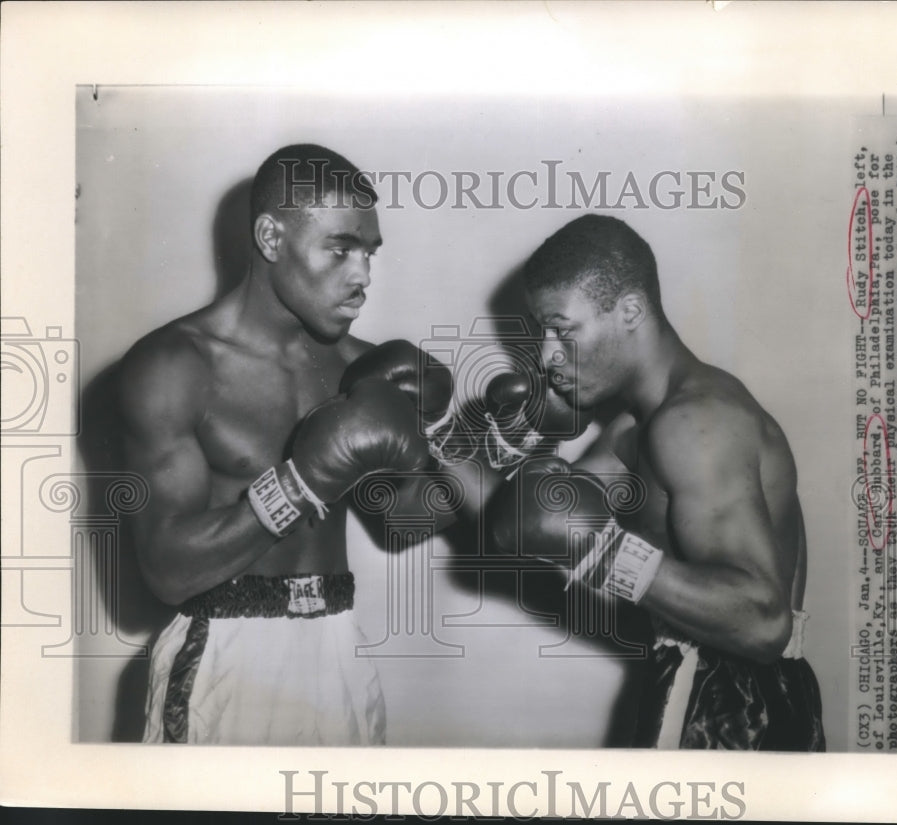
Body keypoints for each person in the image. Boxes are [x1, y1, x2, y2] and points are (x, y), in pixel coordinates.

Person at [119, 144, 452, 746]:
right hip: (222, 651)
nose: (363, 276)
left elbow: (400, 520)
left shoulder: (358, 368)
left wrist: (492, 439)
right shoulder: (174, 366)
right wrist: (301, 483)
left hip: (338, 648)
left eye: (369, 253)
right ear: (271, 238)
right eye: (341, 248)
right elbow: (166, 571)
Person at [488, 214, 826, 750]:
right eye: (542, 332)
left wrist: (606, 553)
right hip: (718, 688)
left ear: (630, 311)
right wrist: (446, 440)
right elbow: (522, 521)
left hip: (732, 704)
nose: (548, 354)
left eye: (563, 329)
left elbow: (764, 622)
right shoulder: (638, 427)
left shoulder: (693, 424)